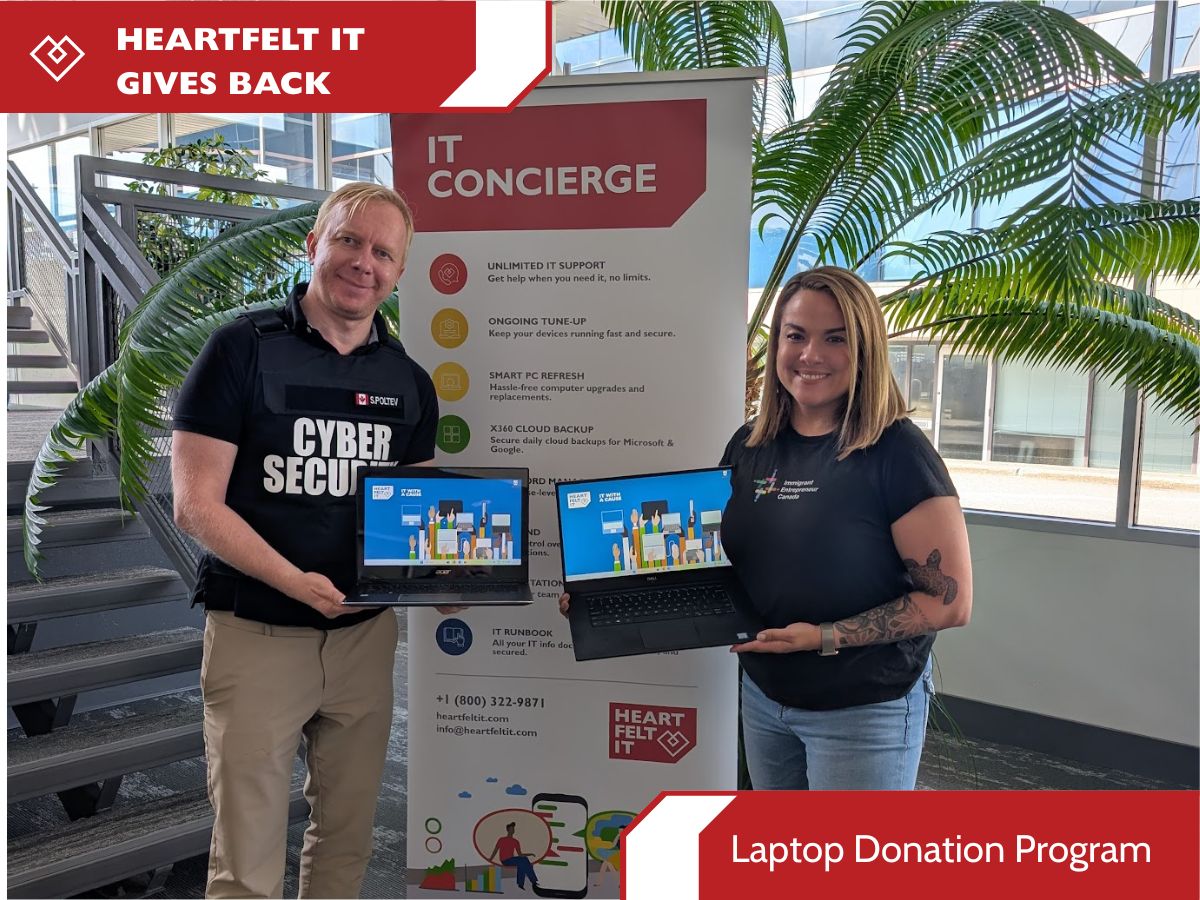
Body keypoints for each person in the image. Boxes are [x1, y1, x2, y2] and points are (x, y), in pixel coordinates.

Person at [561, 266, 971, 790]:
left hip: (862, 711)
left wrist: (823, 637)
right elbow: (715, 558)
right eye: (795, 335)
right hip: (764, 698)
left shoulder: (898, 453)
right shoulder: (750, 446)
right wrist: (607, 593)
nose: (810, 355)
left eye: (835, 338)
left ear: (865, 348)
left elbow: (951, 602)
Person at [172, 182, 440, 898]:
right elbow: (196, 507)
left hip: (364, 640)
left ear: (399, 272)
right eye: (349, 240)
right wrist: (295, 582)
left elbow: (417, 517)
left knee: (347, 840)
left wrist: (455, 575)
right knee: (247, 862)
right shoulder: (240, 350)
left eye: (384, 252)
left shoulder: (409, 382)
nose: (364, 262)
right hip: (258, 633)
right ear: (313, 244)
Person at [488, 822, 540, 890]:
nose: (512, 830)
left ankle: (522, 884)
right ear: (508, 830)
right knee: (524, 861)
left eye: (513, 829)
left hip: (512, 859)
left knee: (523, 861)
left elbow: (520, 854)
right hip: (505, 860)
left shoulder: (516, 841)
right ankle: (533, 881)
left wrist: (529, 854)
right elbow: (496, 850)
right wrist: (491, 859)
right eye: (511, 829)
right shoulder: (501, 839)